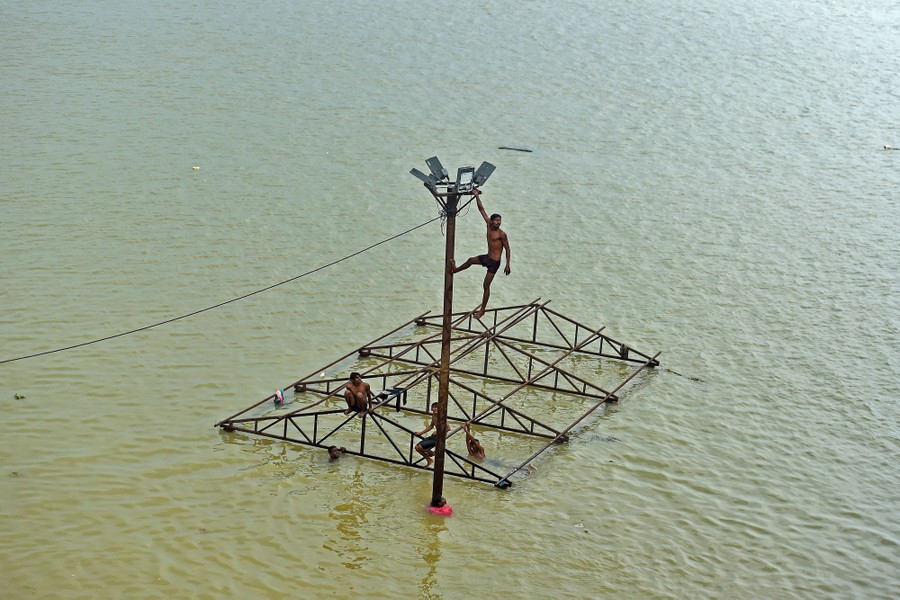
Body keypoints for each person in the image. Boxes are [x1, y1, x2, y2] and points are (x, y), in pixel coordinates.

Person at [451, 188, 511, 319]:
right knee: (471, 260)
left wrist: (508, 265)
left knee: (486, 285)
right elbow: (481, 210)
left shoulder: (502, 234)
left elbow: (507, 248)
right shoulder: (489, 226)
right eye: (496, 220)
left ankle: (482, 310)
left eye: (499, 221)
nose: (498, 222)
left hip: (494, 263)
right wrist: (476, 195)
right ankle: (455, 270)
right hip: (488, 257)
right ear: (491, 221)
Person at [415, 402, 440, 467]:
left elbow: (448, 428)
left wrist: (437, 432)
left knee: (420, 447)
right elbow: (431, 426)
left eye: (436, 408)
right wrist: (420, 433)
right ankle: (430, 457)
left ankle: (431, 457)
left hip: (439, 438)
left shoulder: (441, 417)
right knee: (417, 448)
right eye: (433, 408)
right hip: (433, 437)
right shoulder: (434, 415)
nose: (434, 409)